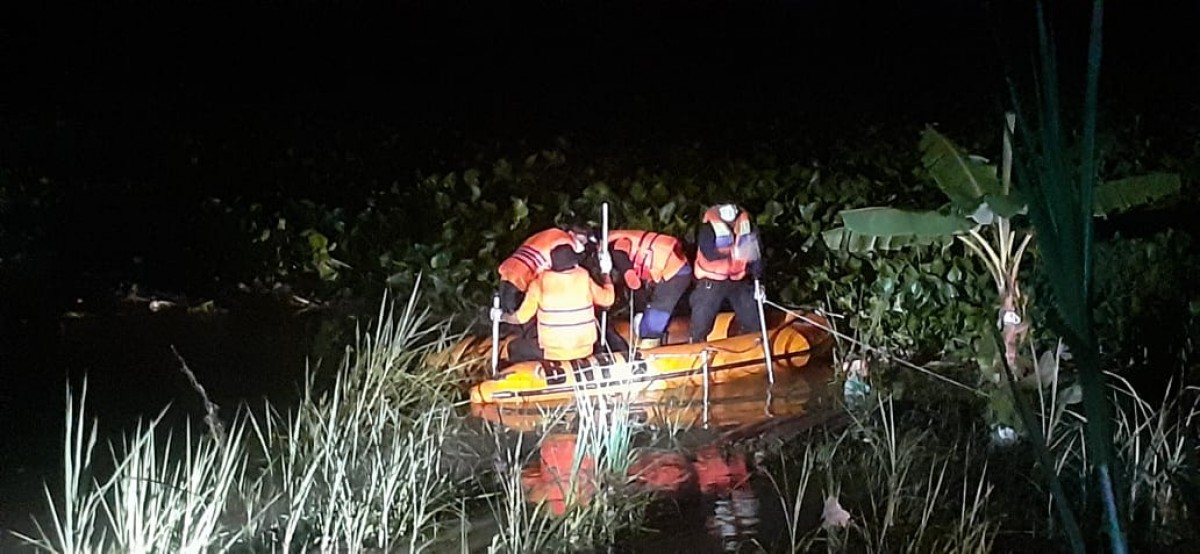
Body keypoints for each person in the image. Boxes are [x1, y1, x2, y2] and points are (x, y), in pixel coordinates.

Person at [494, 244, 615, 362]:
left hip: (553, 352)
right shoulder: (583, 277)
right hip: (585, 349)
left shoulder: (540, 282)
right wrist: (606, 274)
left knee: (514, 347)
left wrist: (501, 316)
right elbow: (608, 299)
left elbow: (521, 318)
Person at [689, 203, 765, 343]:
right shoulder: (708, 228)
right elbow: (709, 253)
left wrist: (758, 281)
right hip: (712, 278)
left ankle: (754, 341)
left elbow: (756, 255)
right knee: (703, 313)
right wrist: (736, 251)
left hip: (739, 278)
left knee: (752, 314)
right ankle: (696, 342)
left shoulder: (748, 227)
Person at [606, 229, 693, 349]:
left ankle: (650, 345)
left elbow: (634, 283)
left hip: (676, 273)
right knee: (652, 309)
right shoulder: (623, 240)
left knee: (658, 310)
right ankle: (647, 336)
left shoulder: (617, 253)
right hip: (673, 267)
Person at [496, 224, 595, 314]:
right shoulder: (564, 243)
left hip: (509, 270)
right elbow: (561, 267)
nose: (582, 245)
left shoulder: (552, 234)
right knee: (518, 316)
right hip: (521, 280)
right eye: (582, 241)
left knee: (506, 312)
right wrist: (582, 256)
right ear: (572, 233)